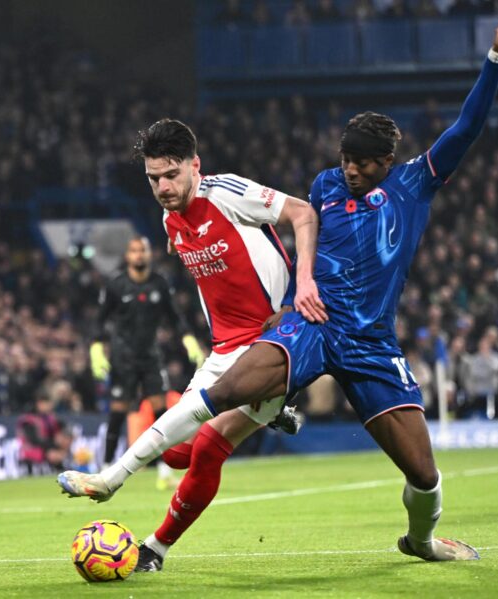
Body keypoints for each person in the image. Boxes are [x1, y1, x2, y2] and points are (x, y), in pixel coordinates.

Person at [59, 13, 498, 565]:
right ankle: (121, 480)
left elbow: (465, 130)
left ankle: (423, 541)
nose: (351, 171)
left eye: (364, 164)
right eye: (345, 160)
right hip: (311, 325)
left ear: (388, 161)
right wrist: (294, 298)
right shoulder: (326, 185)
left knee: (426, 478)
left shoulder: (414, 183)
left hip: (371, 343)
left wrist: (496, 60)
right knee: (212, 408)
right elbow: (297, 236)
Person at [61, 118, 325, 571]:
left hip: (273, 342)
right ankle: (271, 410)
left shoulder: (226, 192)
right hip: (223, 351)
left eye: (171, 175)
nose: (163, 187)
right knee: (174, 452)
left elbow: (303, 213)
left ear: (194, 166)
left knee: (205, 450)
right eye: (153, 179)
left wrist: (297, 291)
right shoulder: (170, 219)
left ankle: (131, 511)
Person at [91, 235, 204, 486]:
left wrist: (188, 338)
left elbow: (174, 316)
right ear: (127, 256)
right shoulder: (116, 285)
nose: (138, 255)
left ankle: (164, 471)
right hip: (123, 358)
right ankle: (106, 467)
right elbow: (100, 319)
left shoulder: (159, 284)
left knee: (160, 411)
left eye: (142, 250)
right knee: (118, 412)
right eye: (134, 251)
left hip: (151, 356)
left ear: (148, 254)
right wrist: (97, 347)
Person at [17, 392, 72, 474]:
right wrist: (50, 449)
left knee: (60, 452)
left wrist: (62, 440)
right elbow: (34, 440)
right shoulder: (28, 420)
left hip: (48, 449)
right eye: (47, 404)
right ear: (39, 404)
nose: (49, 406)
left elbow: (64, 428)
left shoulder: (50, 418)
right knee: (53, 455)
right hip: (32, 452)